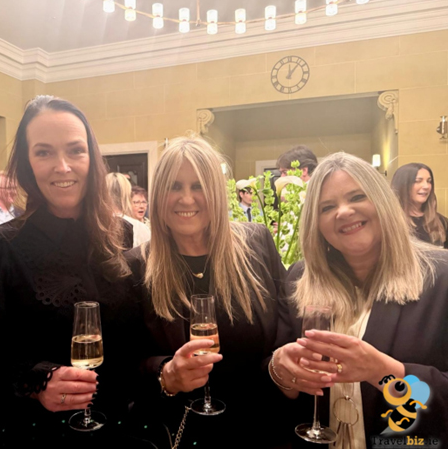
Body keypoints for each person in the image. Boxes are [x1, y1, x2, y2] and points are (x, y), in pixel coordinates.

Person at [0, 95, 149, 448]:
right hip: (32, 434)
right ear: (27, 163)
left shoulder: (123, 237)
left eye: (75, 150)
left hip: (118, 429)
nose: (62, 166)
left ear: (92, 158)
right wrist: (38, 382)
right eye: (44, 152)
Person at [271, 153, 448, 447]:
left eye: (356, 197)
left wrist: (386, 373)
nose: (343, 212)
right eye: (327, 207)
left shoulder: (441, 277)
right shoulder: (299, 278)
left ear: (382, 201)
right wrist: (279, 369)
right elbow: (278, 376)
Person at [125, 136, 290, 448]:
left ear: (216, 191)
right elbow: (124, 363)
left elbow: (286, 328)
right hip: (181, 431)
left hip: (259, 429)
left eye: (198, 186)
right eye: (174, 186)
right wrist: (165, 374)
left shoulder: (257, 244)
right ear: (159, 195)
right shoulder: (135, 267)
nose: (186, 199)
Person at [391, 163, 448, 248]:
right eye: (418, 181)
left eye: (429, 181)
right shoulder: (388, 221)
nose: (426, 186)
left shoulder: (441, 222)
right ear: (403, 185)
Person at [106, 172, 150, 248]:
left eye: (144, 202)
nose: (141, 206)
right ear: (128, 195)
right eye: (136, 202)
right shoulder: (141, 229)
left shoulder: (94, 226)